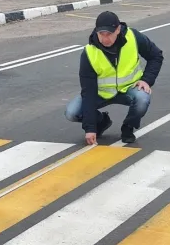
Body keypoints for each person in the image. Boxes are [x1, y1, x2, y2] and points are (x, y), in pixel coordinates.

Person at [65, 11, 164, 145]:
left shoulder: (133, 37)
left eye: (109, 34)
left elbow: (156, 56)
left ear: (118, 29)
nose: (105, 39)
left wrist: (146, 80)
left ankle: (128, 127)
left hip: (129, 89)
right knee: (72, 113)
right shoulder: (89, 52)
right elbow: (88, 91)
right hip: (101, 94)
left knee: (143, 98)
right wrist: (90, 128)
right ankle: (102, 121)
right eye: (102, 34)